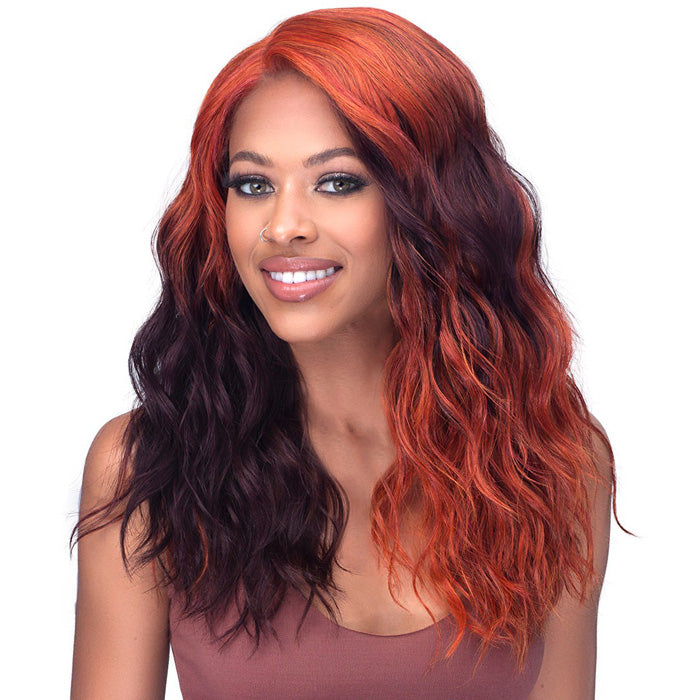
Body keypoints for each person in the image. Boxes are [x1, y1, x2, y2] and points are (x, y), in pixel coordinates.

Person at [70, 7, 630, 699]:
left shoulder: (553, 463)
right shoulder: (145, 470)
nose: (283, 226)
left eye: (337, 182)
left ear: (433, 204)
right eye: (253, 185)